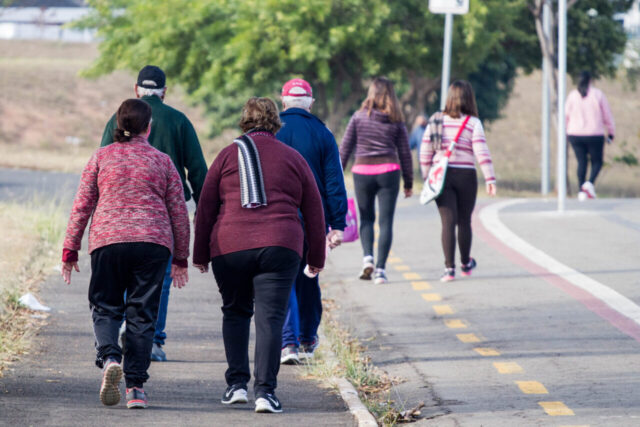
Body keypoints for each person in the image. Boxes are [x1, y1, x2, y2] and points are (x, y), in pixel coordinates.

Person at [193, 97, 326, 414]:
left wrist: (199, 255)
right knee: (271, 319)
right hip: (280, 246)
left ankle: (236, 385)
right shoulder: (293, 158)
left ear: (245, 122)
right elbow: (314, 212)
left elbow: (206, 207)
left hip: (230, 247)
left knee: (236, 312)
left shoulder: (227, 155)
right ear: (276, 123)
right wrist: (316, 258)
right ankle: (266, 393)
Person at [61, 99, 190, 409]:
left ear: (118, 125)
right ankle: (135, 388)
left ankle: (109, 358)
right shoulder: (162, 161)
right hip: (152, 244)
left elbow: (82, 206)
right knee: (142, 314)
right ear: (149, 127)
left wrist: (70, 249)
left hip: (108, 241)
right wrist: (182, 257)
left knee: (105, 306)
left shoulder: (101, 157)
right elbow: (179, 213)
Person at [101, 65, 207, 362]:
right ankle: (153, 340)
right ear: (164, 91)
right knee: (158, 278)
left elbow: (102, 161)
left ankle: (124, 327)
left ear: (137, 90)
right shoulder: (179, 120)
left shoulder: (118, 117)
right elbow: (198, 169)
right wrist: (204, 208)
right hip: (166, 212)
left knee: (123, 274)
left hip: (121, 209)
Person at [276, 78, 348, 365]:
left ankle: (288, 343)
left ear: (283, 101)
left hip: (278, 218)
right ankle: (307, 338)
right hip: (312, 219)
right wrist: (337, 224)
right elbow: (334, 182)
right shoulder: (322, 132)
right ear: (311, 103)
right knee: (309, 277)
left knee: (284, 279)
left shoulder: (271, 130)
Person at [420, 80, 496, 282]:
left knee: (447, 222)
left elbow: (425, 149)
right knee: (464, 221)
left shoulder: (436, 119)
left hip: (441, 176)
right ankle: (465, 263)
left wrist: (427, 175)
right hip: (465, 175)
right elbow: (481, 151)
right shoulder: (473, 123)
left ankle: (448, 269)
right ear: (469, 99)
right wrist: (490, 178)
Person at [340, 77, 413, 285]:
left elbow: (344, 149)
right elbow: (405, 153)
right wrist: (408, 181)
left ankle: (367, 259)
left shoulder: (357, 117)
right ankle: (380, 270)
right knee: (386, 221)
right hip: (389, 171)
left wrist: (335, 178)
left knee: (366, 219)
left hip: (362, 171)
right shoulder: (396, 119)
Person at [565, 71, 615, 200]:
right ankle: (589, 183)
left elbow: (566, 116)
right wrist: (611, 132)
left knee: (581, 162)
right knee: (597, 162)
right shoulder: (597, 95)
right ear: (590, 80)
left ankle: (581, 189)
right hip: (594, 134)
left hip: (575, 134)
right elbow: (607, 115)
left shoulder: (572, 95)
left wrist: (565, 132)